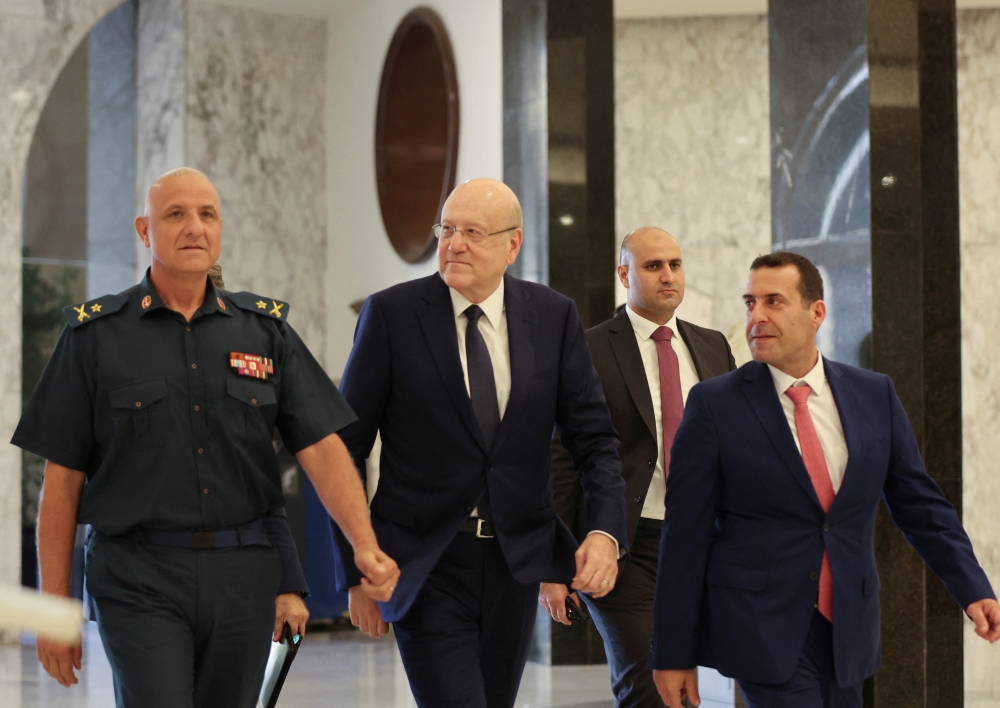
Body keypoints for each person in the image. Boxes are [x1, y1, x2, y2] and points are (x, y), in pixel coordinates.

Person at [12, 167, 399, 708]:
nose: (194, 226)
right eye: (176, 214)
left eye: (207, 215)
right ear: (145, 230)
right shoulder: (95, 338)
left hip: (243, 575)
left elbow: (322, 450)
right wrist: (54, 610)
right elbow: (61, 482)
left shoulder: (265, 332)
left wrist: (364, 545)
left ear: (220, 229)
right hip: (136, 574)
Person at [649, 251, 1000, 708]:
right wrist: (672, 652)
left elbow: (921, 505)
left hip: (849, 627)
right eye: (750, 303)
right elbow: (684, 536)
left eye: (774, 301)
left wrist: (973, 588)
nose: (757, 316)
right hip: (760, 627)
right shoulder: (714, 405)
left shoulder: (874, 394)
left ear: (816, 312)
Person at [330, 178, 628, 708]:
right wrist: (357, 567)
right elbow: (343, 449)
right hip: (423, 561)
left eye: (472, 232)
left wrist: (604, 532)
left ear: (512, 245)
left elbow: (594, 441)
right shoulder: (392, 315)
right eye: (447, 229)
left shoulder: (552, 316)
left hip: (516, 561)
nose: (454, 244)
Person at [541, 227, 735, 707]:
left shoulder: (713, 346)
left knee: (693, 684)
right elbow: (561, 456)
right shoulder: (587, 347)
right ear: (624, 275)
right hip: (624, 543)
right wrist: (553, 563)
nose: (668, 275)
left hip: (703, 540)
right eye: (653, 266)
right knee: (647, 684)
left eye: (675, 264)